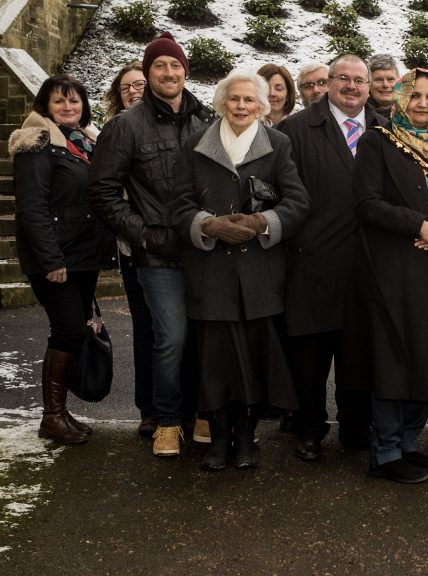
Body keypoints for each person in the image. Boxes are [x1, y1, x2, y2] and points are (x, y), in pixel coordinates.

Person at [170, 69, 310, 470]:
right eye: (235, 99)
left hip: (258, 274)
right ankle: (217, 439)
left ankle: (247, 438)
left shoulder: (278, 144)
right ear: (221, 102)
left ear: (263, 106)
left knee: (253, 359)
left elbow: (298, 202)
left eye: (250, 100)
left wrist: (261, 223)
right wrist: (206, 225)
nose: (242, 106)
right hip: (210, 272)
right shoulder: (196, 144)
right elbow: (177, 204)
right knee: (214, 362)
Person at [90, 32, 214, 457]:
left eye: (174, 65)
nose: (168, 72)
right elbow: (103, 192)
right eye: (158, 66)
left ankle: (201, 413)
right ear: (148, 73)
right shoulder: (126, 126)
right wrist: (141, 233)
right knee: (170, 338)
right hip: (157, 254)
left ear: (185, 71)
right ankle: (165, 420)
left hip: (203, 248)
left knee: (203, 336)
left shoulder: (205, 121)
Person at [276, 55, 386, 461]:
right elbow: (284, 194)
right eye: (344, 79)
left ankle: (357, 427)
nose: (352, 87)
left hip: (368, 264)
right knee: (312, 354)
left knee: (360, 352)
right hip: (315, 261)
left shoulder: (385, 129)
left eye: (361, 81)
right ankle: (309, 428)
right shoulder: (296, 130)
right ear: (329, 82)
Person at [352, 69, 428, 483]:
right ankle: (386, 452)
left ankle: (409, 444)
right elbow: (366, 203)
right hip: (394, 268)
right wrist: (419, 226)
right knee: (396, 355)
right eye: (414, 96)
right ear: (398, 100)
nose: (422, 104)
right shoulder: (377, 141)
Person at [11, 74, 115, 444]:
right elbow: (32, 207)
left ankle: (59, 413)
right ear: (45, 106)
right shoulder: (36, 143)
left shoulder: (84, 142)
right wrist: (51, 259)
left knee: (74, 330)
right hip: (56, 258)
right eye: (59, 101)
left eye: (74, 101)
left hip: (83, 255)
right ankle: (52, 416)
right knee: (69, 329)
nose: (68, 107)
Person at [101, 60, 160, 436]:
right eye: (126, 88)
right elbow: (108, 192)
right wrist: (139, 232)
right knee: (147, 329)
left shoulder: (169, 122)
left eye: (140, 83)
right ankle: (149, 408)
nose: (134, 90)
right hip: (135, 246)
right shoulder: (116, 130)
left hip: (174, 245)